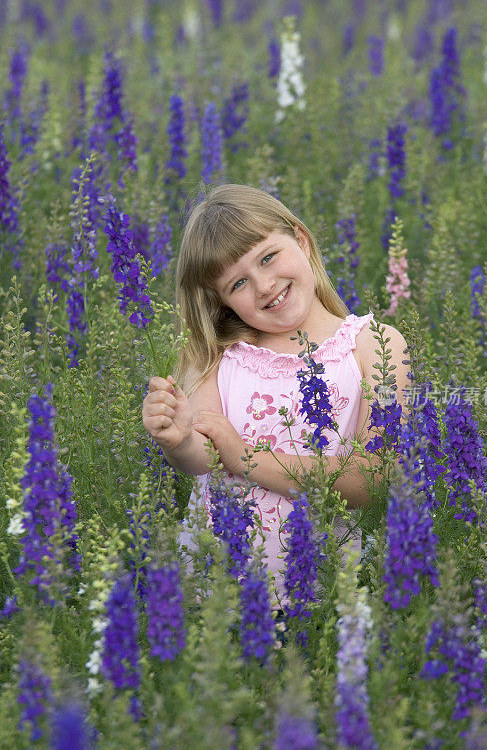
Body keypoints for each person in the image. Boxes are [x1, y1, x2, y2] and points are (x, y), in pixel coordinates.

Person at [142, 184, 410, 593]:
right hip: (217, 584)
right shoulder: (220, 355)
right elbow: (203, 457)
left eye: (268, 258)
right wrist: (177, 440)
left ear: (301, 240)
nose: (265, 285)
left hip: (319, 588)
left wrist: (245, 458)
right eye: (238, 284)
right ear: (222, 303)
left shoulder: (375, 345)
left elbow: (370, 480)